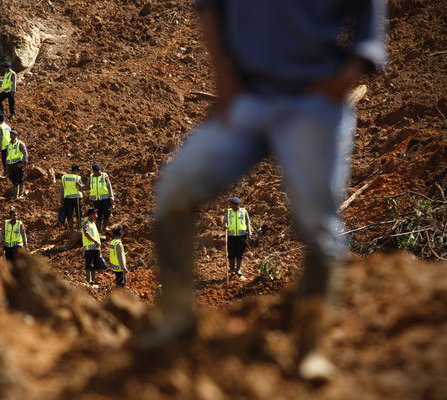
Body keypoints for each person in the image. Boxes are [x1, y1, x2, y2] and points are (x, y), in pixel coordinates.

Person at [150, 0, 386, 381]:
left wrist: (343, 79)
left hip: (314, 100)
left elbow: (369, 28)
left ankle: (311, 349)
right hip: (248, 97)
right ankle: (176, 319)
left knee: (319, 225)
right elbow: (210, 9)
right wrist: (224, 81)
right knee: (174, 190)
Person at [222, 197, 252, 280]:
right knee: (231, 253)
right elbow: (224, 221)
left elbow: (248, 222)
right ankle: (232, 269)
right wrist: (225, 225)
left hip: (242, 235)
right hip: (231, 236)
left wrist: (249, 233)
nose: (230, 205)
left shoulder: (243, 211)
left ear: (236, 205)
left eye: (231, 204)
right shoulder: (228, 212)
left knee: (240, 252)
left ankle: (238, 269)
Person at [82, 208, 107, 285]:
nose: (96, 215)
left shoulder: (93, 224)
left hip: (96, 247)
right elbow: (86, 234)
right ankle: (88, 280)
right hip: (89, 247)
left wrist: (99, 247)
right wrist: (95, 241)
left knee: (94, 265)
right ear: (91, 215)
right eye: (95, 214)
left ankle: (93, 280)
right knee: (89, 264)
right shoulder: (86, 223)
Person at [89, 163, 115, 233]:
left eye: (98, 171)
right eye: (95, 171)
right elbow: (88, 186)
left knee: (107, 212)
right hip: (96, 199)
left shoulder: (105, 175)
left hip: (105, 198)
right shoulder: (91, 177)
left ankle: (105, 227)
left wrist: (111, 196)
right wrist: (80, 186)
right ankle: (98, 229)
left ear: (100, 170)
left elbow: (109, 186)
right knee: (98, 214)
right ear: (93, 171)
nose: (96, 172)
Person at [60, 165, 85, 231]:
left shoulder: (64, 177)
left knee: (69, 214)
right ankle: (80, 228)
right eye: (78, 170)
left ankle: (71, 230)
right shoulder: (78, 177)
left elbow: (62, 189)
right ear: (76, 170)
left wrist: (61, 198)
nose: (79, 172)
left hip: (67, 198)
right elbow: (82, 188)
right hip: (77, 198)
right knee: (79, 213)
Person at [6, 130, 28, 199]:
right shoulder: (9, 144)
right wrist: (7, 163)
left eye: (12, 135)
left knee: (20, 178)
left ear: (16, 136)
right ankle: (15, 195)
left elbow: (25, 153)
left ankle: (21, 194)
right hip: (11, 164)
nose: (11, 136)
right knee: (13, 178)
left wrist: (23, 163)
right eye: (10, 134)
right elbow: (8, 154)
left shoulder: (20, 143)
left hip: (18, 164)